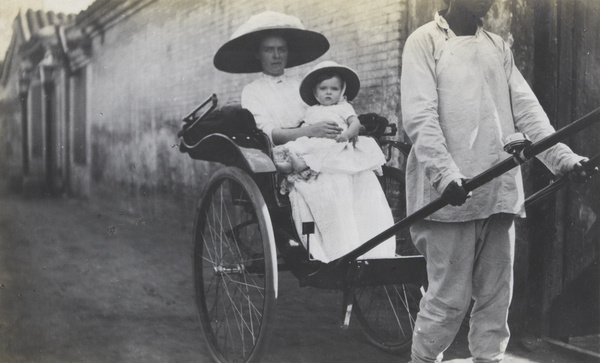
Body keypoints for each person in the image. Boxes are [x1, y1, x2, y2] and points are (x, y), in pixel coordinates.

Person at [400, 1, 592, 362]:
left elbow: (527, 110)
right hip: (448, 193)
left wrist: (562, 158)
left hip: (497, 184)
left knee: (496, 295)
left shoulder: (497, 46)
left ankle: (488, 359)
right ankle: (423, 359)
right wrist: (444, 175)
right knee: (449, 299)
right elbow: (419, 115)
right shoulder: (424, 41)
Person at [214, 11, 395, 262]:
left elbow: (326, 111)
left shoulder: (304, 86)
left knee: (360, 178)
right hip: (285, 151)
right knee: (330, 184)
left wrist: (344, 130)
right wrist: (310, 132)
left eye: (281, 49)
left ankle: (367, 249)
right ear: (258, 54)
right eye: (269, 50)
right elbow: (268, 133)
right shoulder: (253, 91)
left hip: (321, 146)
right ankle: (335, 251)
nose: (276, 55)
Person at [274, 60, 387, 176]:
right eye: (323, 89)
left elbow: (355, 122)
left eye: (334, 89)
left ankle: (303, 164)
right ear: (315, 92)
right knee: (298, 144)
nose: (328, 92)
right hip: (314, 139)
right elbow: (307, 126)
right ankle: (290, 164)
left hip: (336, 141)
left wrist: (347, 134)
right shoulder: (312, 110)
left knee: (324, 147)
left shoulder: (343, 107)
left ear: (342, 91)